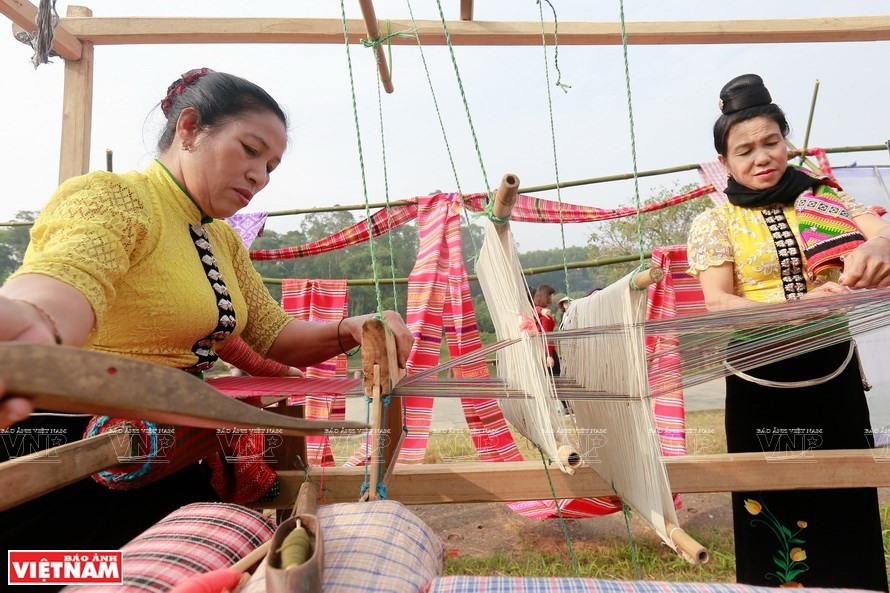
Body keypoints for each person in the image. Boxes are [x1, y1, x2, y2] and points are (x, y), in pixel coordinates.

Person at [0, 68, 413, 564]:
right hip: (76, 457)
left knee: (176, 571)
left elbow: (273, 334)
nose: (260, 175)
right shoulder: (113, 198)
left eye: (272, 166)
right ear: (189, 128)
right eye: (251, 150)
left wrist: (355, 329)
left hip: (164, 450)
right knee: (55, 575)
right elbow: (66, 275)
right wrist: (35, 321)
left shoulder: (220, 238)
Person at [686, 74, 890, 590]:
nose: (762, 158)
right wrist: (796, 309)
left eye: (771, 142)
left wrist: (879, 248)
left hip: (834, 374)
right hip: (760, 384)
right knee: (771, 503)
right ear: (726, 162)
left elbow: (882, 230)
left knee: (846, 493)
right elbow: (718, 304)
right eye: (745, 150)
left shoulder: (823, 198)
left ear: (788, 142)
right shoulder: (717, 222)